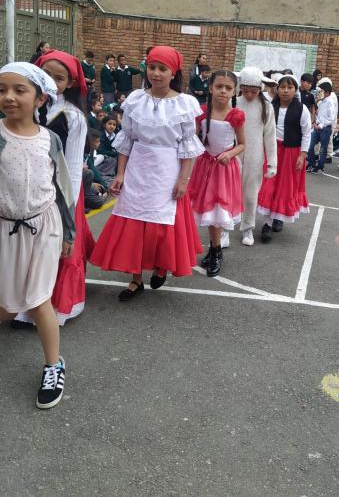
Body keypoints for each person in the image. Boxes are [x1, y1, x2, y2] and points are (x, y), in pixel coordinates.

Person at [90, 46, 205, 300]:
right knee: (133, 222)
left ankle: (161, 266)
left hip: (167, 169)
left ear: (173, 72)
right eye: (152, 67)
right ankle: (135, 279)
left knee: (161, 223)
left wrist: (183, 180)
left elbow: (188, 148)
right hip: (138, 167)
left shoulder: (184, 104)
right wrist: (120, 174)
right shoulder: (135, 99)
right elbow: (127, 141)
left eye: (162, 69)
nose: (156, 73)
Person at [0, 62, 75, 409]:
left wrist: (69, 231)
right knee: (6, 304)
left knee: (38, 299)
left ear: (40, 98)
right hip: (6, 228)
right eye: (2, 90)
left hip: (45, 227)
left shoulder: (50, 139)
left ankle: (53, 365)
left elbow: (63, 187)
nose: (9, 97)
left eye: (19, 90)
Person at [19, 50, 94, 326]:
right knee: (24, 247)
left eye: (58, 78)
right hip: (25, 188)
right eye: (45, 74)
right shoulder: (23, 105)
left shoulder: (73, 117)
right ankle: (21, 306)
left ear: (70, 83)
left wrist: (68, 211)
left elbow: (72, 168)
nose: (50, 82)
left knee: (55, 247)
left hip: (60, 191)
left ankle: (55, 307)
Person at [188, 71, 245, 276]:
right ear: (210, 88)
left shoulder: (236, 115)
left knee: (218, 211)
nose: (223, 91)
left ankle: (216, 251)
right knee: (207, 211)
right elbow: (192, 137)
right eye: (219, 86)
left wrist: (229, 153)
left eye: (228, 88)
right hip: (205, 166)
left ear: (234, 92)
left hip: (223, 169)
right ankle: (214, 249)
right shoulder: (202, 112)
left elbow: (242, 144)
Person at [257, 74, 311, 242]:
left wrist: (302, 155)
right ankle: (267, 224)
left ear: (295, 90)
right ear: (277, 89)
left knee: (284, 187)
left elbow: (306, 133)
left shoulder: (302, 109)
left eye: (290, 87)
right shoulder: (269, 106)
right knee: (269, 184)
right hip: (271, 150)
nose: (285, 91)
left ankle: (278, 217)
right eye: (282, 87)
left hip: (291, 152)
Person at [236, 67, 277, 247]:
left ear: (260, 88)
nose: (249, 95)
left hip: (255, 155)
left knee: (251, 195)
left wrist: (272, 164)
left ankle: (248, 227)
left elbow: (270, 136)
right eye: (245, 91)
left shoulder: (266, 107)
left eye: (254, 91)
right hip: (233, 153)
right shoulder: (233, 102)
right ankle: (225, 228)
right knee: (229, 192)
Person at [307, 79, 337, 174]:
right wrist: (315, 123)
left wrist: (321, 125)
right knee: (310, 145)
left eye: (321, 91)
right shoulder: (321, 102)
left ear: (327, 92)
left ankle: (320, 166)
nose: (319, 93)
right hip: (317, 127)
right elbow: (318, 114)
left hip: (325, 128)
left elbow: (331, 118)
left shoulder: (330, 102)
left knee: (323, 149)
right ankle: (311, 163)